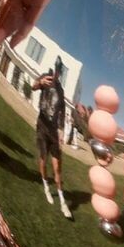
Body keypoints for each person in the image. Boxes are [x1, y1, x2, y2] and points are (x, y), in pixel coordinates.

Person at [32, 60, 72, 217]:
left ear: (61, 72)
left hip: (54, 133)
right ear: (53, 69)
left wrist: (61, 132)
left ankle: (62, 202)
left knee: (57, 168)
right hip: (42, 128)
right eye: (56, 69)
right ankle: (46, 187)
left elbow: (62, 113)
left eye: (59, 70)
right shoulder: (46, 78)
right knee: (43, 161)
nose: (56, 72)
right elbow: (34, 87)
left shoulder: (61, 90)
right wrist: (40, 82)